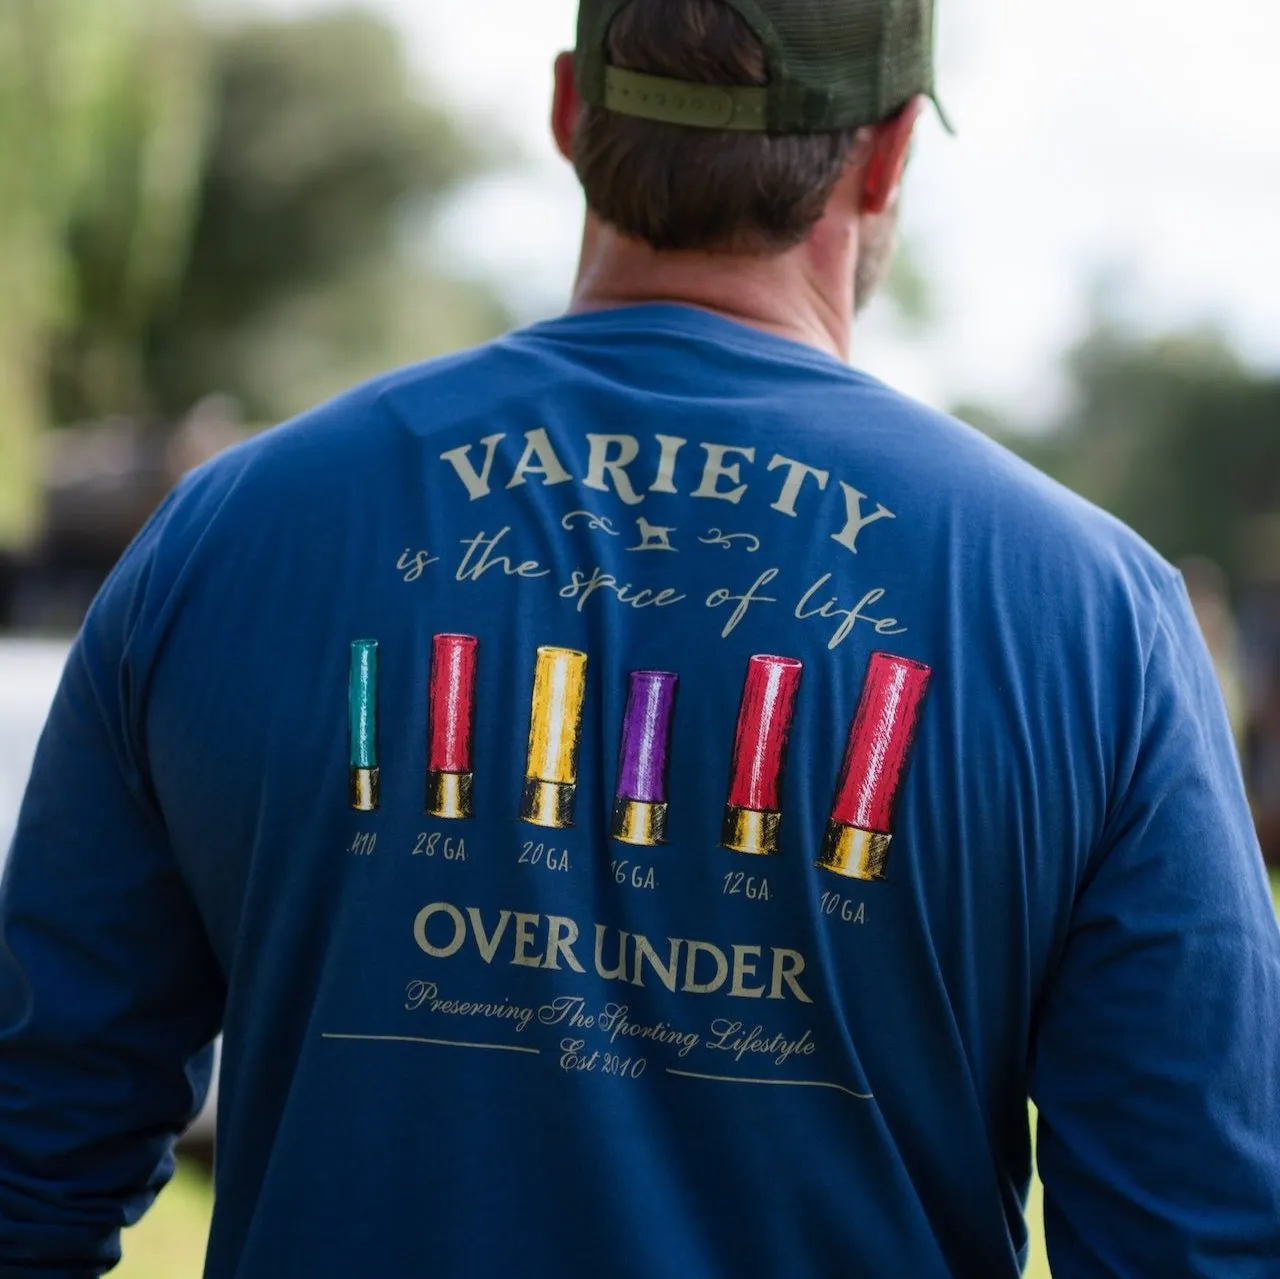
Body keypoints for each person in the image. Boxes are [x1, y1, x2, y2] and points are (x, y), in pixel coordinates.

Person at [2, 0, 1277, 1275]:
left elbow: (28, 1163)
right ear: (886, 155)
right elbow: (1199, 1236)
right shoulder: (1094, 622)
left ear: (569, 111)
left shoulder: (224, 539)